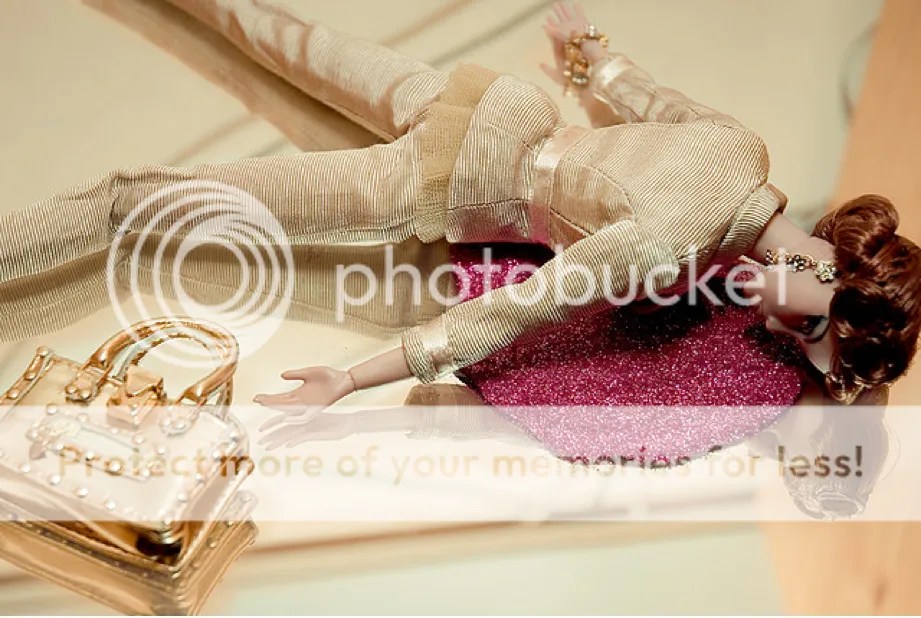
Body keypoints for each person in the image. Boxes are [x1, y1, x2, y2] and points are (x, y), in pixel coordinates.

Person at [4, 0, 918, 420]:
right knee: (156, 205)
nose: (775, 330)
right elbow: (515, 309)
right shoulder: (671, 248)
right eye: (805, 327)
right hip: (444, 184)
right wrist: (351, 379)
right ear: (830, 271)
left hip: (492, 108)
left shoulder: (744, 151)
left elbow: (647, 99)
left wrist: (586, 55)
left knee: (274, 36)